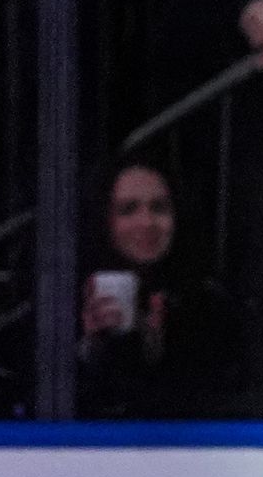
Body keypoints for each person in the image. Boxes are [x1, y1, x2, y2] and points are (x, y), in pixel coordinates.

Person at [79, 158, 250, 419]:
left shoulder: (210, 304)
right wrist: (90, 348)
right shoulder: (62, 296)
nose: (146, 222)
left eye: (159, 208)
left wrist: (159, 356)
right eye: (128, 209)